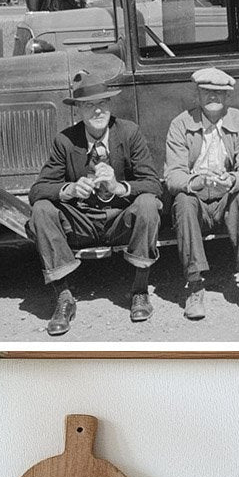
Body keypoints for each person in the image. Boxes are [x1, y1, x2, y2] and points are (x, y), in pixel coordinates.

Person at [27, 69, 163, 336]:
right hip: (81, 220)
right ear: (78, 110)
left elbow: (153, 183)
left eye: (102, 103)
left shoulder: (129, 133)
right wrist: (70, 189)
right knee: (42, 210)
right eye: (89, 105)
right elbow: (37, 190)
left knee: (148, 204)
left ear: (110, 105)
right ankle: (64, 299)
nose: (97, 111)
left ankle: (139, 290)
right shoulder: (66, 140)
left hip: (119, 218)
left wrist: (119, 187)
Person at [164, 67, 239, 320]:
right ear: (197, 94)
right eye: (207, 91)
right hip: (197, 199)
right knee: (182, 200)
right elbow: (173, 176)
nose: (213, 97)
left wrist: (231, 179)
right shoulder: (181, 124)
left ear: (228, 97)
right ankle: (195, 285)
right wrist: (195, 182)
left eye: (219, 93)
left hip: (226, 200)